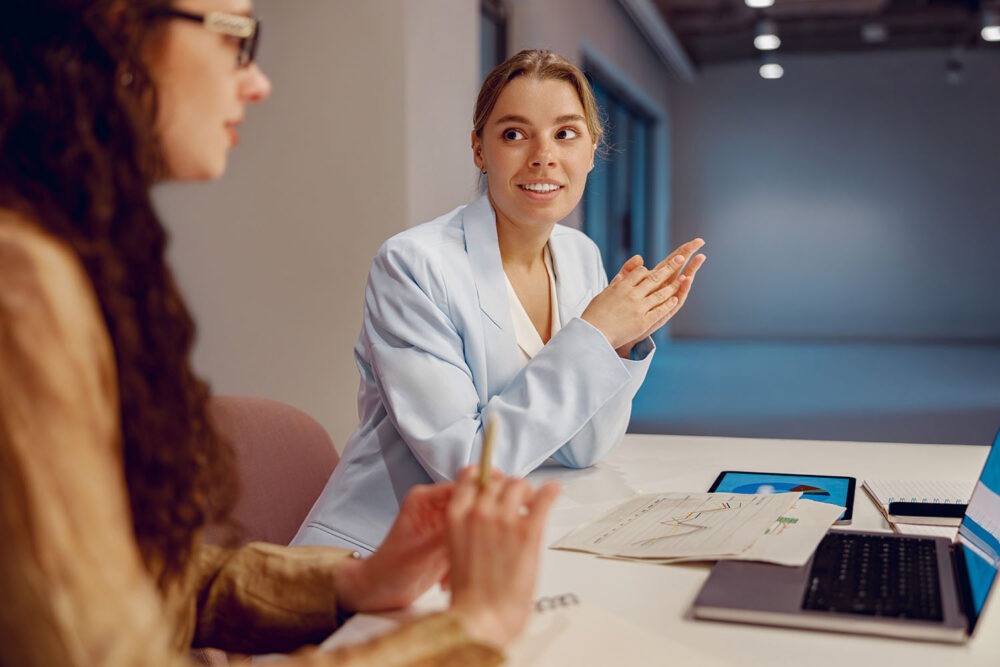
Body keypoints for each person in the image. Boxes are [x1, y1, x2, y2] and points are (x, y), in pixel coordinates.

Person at [0, 1, 559, 665]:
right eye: (237, 38)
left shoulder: (76, 250)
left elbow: (141, 584)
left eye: (567, 133)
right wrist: (469, 629)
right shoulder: (24, 285)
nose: (258, 81)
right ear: (117, 27)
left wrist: (354, 578)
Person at [294, 49, 706, 554]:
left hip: (494, 542)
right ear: (479, 149)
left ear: (593, 149)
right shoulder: (412, 264)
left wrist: (620, 343)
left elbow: (582, 449)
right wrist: (596, 334)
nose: (543, 155)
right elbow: (465, 465)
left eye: (566, 133)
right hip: (379, 552)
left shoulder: (580, 255)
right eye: (514, 134)